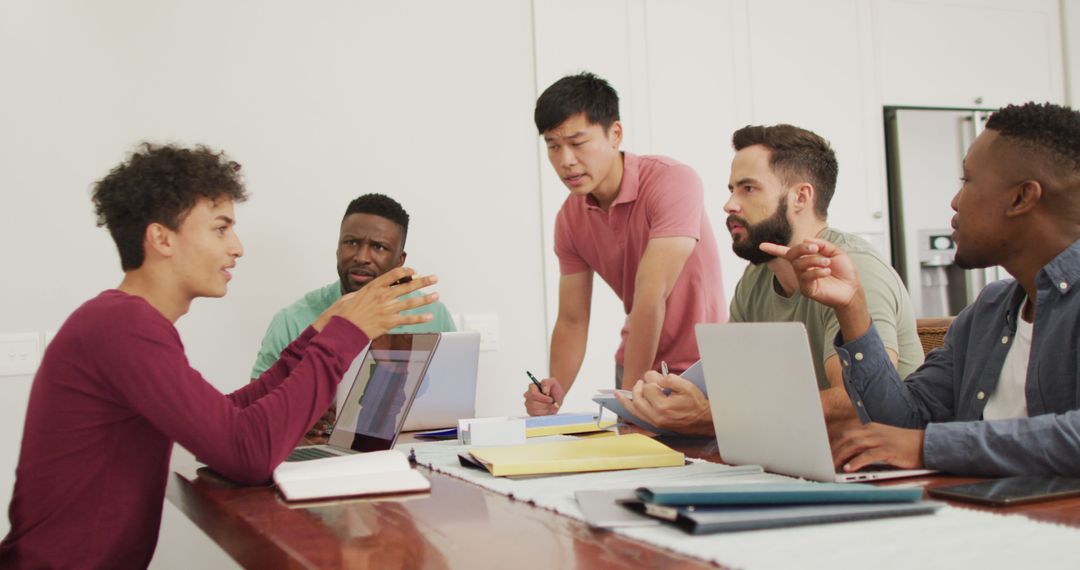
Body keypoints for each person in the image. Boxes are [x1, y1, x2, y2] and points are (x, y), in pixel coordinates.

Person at [0, 144, 438, 567]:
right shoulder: (122, 328)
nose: (237, 247)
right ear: (162, 239)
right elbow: (246, 452)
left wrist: (316, 334)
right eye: (220, 228)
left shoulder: (124, 322)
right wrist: (346, 334)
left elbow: (225, 418)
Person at [769, 102, 1080, 476]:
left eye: (967, 181)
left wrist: (931, 446)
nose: (954, 201)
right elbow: (905, 422)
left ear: (1021, 198)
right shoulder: (990, 311)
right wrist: (852, 307)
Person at [617, 124, 923, 436]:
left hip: (875, 464)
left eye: (748, 189)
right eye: (731, 189)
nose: (730, 205)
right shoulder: (757, 276)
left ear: (800, 197)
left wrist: (713, 415)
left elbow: (852, 404)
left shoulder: (854, 270)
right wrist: (670, 397)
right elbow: (736, 387)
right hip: (795, 452)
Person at [523, 72, 727, 415]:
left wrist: (632, 401)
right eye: (553, 145)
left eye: (577, 142)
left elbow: (651, 295)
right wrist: (554, 388)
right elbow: (573, 319)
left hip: (702, 368)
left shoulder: (672, 181)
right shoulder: (569, 219)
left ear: (615, 134)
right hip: (634, 363)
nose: (565, 160)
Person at [250, 193, 455, 379]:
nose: (361, 257)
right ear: (338, 248)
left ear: (399, 260)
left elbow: (453, 393)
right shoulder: (292, 321)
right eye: (351, 243)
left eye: (378, 247)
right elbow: (255, 410)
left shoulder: (433, 316)